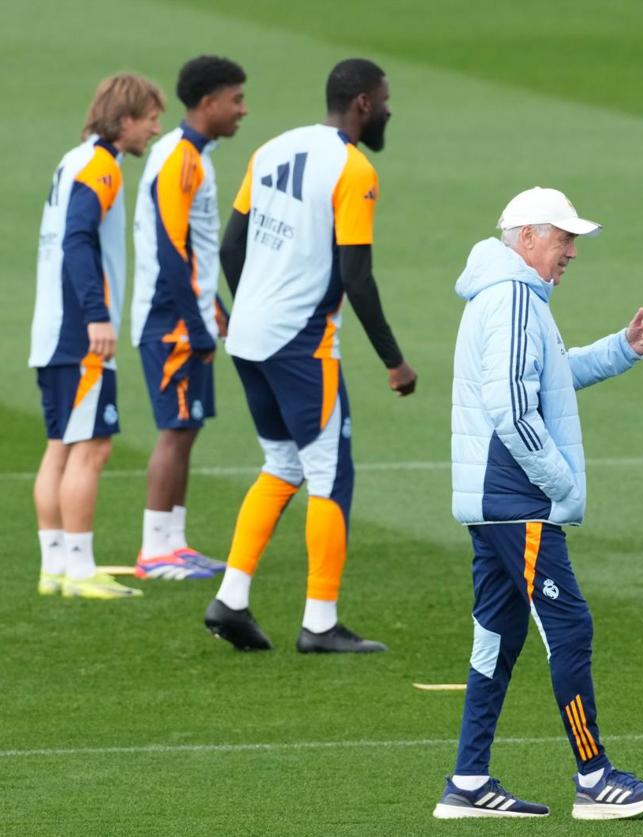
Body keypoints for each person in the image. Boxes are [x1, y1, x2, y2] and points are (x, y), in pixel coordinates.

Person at [434, 188, 643, 820]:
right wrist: (559, 481)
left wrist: (621, 348)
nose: (571, 251)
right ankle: (595, 779)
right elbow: (511, 406)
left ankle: (468, 780)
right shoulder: (513, 298)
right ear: (528, 237)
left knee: (496, 637)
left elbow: (550, 375)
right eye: (563, 238)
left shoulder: (511, 294)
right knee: (568, 628)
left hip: (493, 500)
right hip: (517, 498)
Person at [202, 58, 417, 653]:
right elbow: (357, 275)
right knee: (331, 474)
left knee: (282, 465)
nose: (390, 109)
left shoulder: (272, 148)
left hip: (247, 336)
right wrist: (394, 361)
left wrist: (254, 307)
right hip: (298, 343)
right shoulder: (354, 169)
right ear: (363, 104)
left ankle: (232, 598)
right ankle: (320, 623)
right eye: (386, 99)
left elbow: (231, 246)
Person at [30, 74, 164, 599]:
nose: (156, 128)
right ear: (125, 119)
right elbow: (78, 238)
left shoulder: (72, 160)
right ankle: (81, 570)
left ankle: (54, 567)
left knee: (60, 446)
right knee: (92, 448)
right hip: (77, 329)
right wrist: (96, 316)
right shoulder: (102, 168)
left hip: (50, 326)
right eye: (150, 118)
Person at [131, 55, 247, 581]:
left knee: (187, 428)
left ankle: (174, 544)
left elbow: (193, 252)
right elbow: (171, 249)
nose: (242, 110)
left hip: (186, 314)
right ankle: (155, 549)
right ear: (208, 103)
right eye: (235, 99)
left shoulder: (193, 157)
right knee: (175, 431)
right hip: (169, 320)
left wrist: (215, 308)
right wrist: (196, 322)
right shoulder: (179, 158)